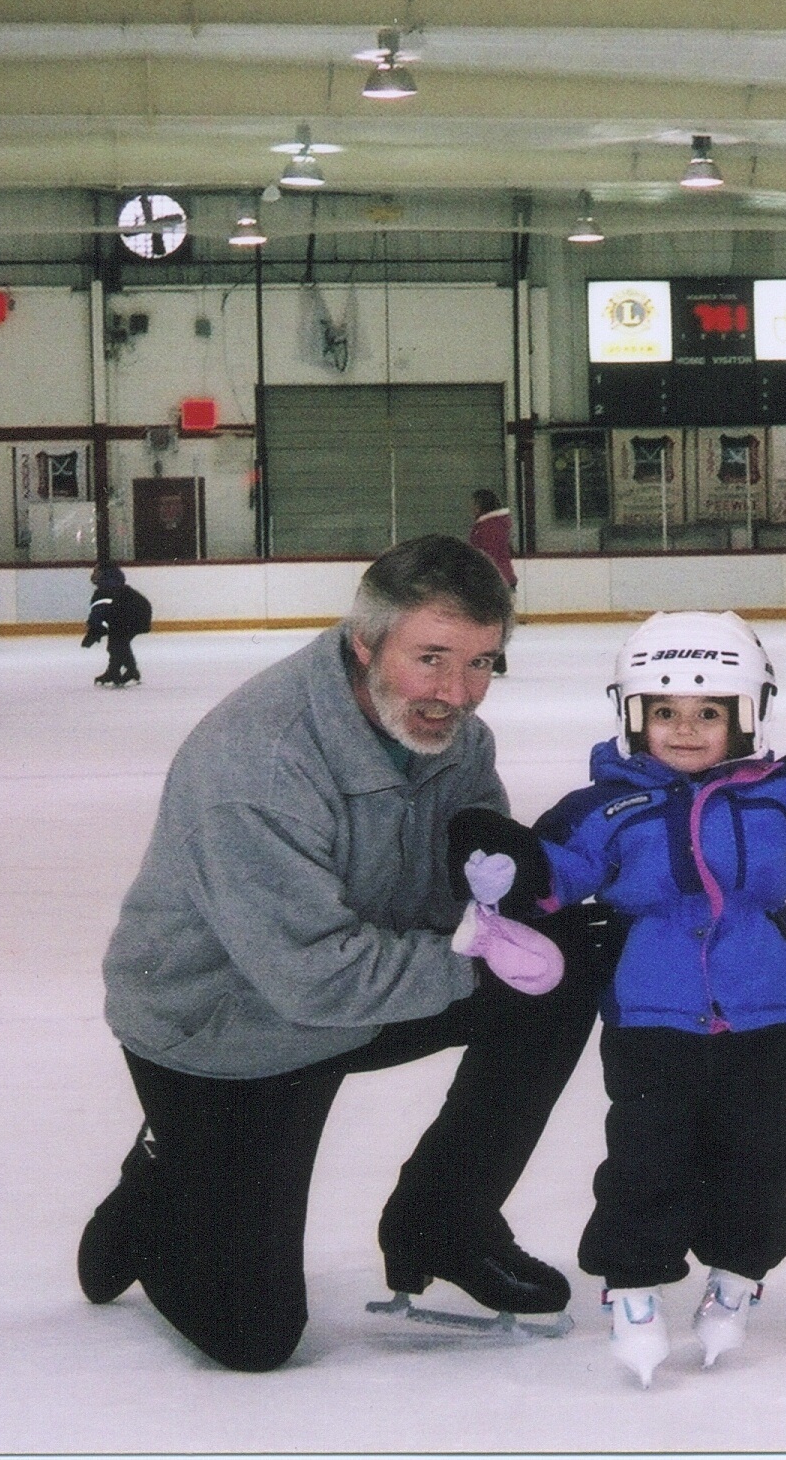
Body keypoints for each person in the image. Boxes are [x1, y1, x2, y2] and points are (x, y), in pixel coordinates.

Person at [76, 535, 613, 1373]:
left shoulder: (456, 738)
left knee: (576, 951)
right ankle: (160, 1180)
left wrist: (515, 894)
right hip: (225, 1037)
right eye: (430, 658)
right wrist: (477, 956)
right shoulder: (259, 762)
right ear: (363, 643)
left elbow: (471, 893)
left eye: (481, 664)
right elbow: (311, 981)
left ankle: (445, 1217)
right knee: (253, 1339)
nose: (455, 693)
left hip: (358, 993)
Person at [451, 611, 786, 1387]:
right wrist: (509, 877)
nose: (685, 730)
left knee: (761, 1152)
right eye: (664, 713)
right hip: (652, 1018)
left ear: (746, 716)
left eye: (708, 713)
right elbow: (559, 872)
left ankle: (738, 1272)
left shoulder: (779, 789)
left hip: (768, 1013)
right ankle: (634, 1286)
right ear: (631, 716)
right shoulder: (606, 808)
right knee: (648, 1155)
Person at [82, 562, 154, 687]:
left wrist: (94, 631)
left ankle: (124, 671)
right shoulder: (116, 588)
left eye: (97, 572)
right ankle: (124, 671)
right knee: (118, 643)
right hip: (133, 617)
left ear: (105, 574)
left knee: (117, 644)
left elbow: (99, 613)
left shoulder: (106, 591)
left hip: (131, 618)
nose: (94, 575)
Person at [469, 489, 517, 675]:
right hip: (497, 577)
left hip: (493, 579)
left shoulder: (489, 526)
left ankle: (494, 659)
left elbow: (488, 555)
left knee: (486, 620)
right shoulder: (490, 524)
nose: (471, 508)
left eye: (474, 503)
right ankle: (496, 660)